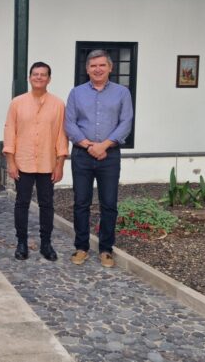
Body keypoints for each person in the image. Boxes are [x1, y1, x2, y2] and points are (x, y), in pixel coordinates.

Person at [64, 50, 133, 268]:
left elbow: (126, 122)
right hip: (82, 155)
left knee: (109, 203)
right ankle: (81, 247)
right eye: (93, 66)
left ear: (110, 68)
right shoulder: (76, 93)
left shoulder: (122, 93)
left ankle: (106, 249)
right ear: (87, 69)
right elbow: (69, 123)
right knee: (81, 202)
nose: (98, 69)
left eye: (102, 65)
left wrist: (104, 145)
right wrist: (88, 145)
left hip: (110, 155)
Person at [3, 61, 68, 261]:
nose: (39, 77)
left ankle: (46, 244)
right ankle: (22, 242)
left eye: (43, 74)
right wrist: (11, 162)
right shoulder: (17, 103)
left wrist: (60, 163)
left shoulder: (58, 104)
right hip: (23, 161)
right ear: (30, 78)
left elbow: (61, 135)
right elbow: (10, 132)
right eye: (35, 74)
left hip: (48, 163)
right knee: (21, 203)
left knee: (47, 204)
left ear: (49, 79)